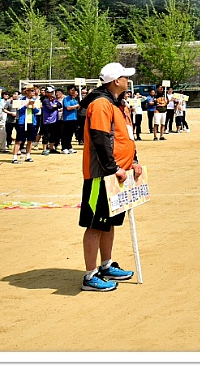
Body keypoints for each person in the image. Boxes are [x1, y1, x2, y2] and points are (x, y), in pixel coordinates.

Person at [79, 62, 142, 292]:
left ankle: (105, 265)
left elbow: (126, 136)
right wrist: (112, 167)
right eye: (125, 77)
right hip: (102, 174)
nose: (128, 80)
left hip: (120, 174)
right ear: (116, 81)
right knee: (96, 224)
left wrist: (133, 160)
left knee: (110, 221)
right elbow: (100, 138)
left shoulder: (119, 104)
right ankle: (90, 275)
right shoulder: (101, 104)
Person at [12, 87, 39, 164]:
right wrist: (27, 104)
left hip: (32, 122)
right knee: (19, 140)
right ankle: (15, 157)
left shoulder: (36, 100)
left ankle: (28, 156)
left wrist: (33, 105)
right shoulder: (21, 100)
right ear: (27, 91)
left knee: (30, 140)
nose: (33, 92)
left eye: (34, 91)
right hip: (22, 122)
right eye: (32, 91)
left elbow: (37, 111)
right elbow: (19, 110)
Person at [61, 86, 81, 153]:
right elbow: (68, 108)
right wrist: (77, 105)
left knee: (70, 134)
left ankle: (69, 146)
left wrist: (80, 105)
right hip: (67, 119)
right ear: (68, 91)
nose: (73, 92)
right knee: (66, 134)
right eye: (71, 90)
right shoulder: (66, 99)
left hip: (74, 118)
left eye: (74, 90)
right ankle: (64, 147)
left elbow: (77, 108)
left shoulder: (74, 99)